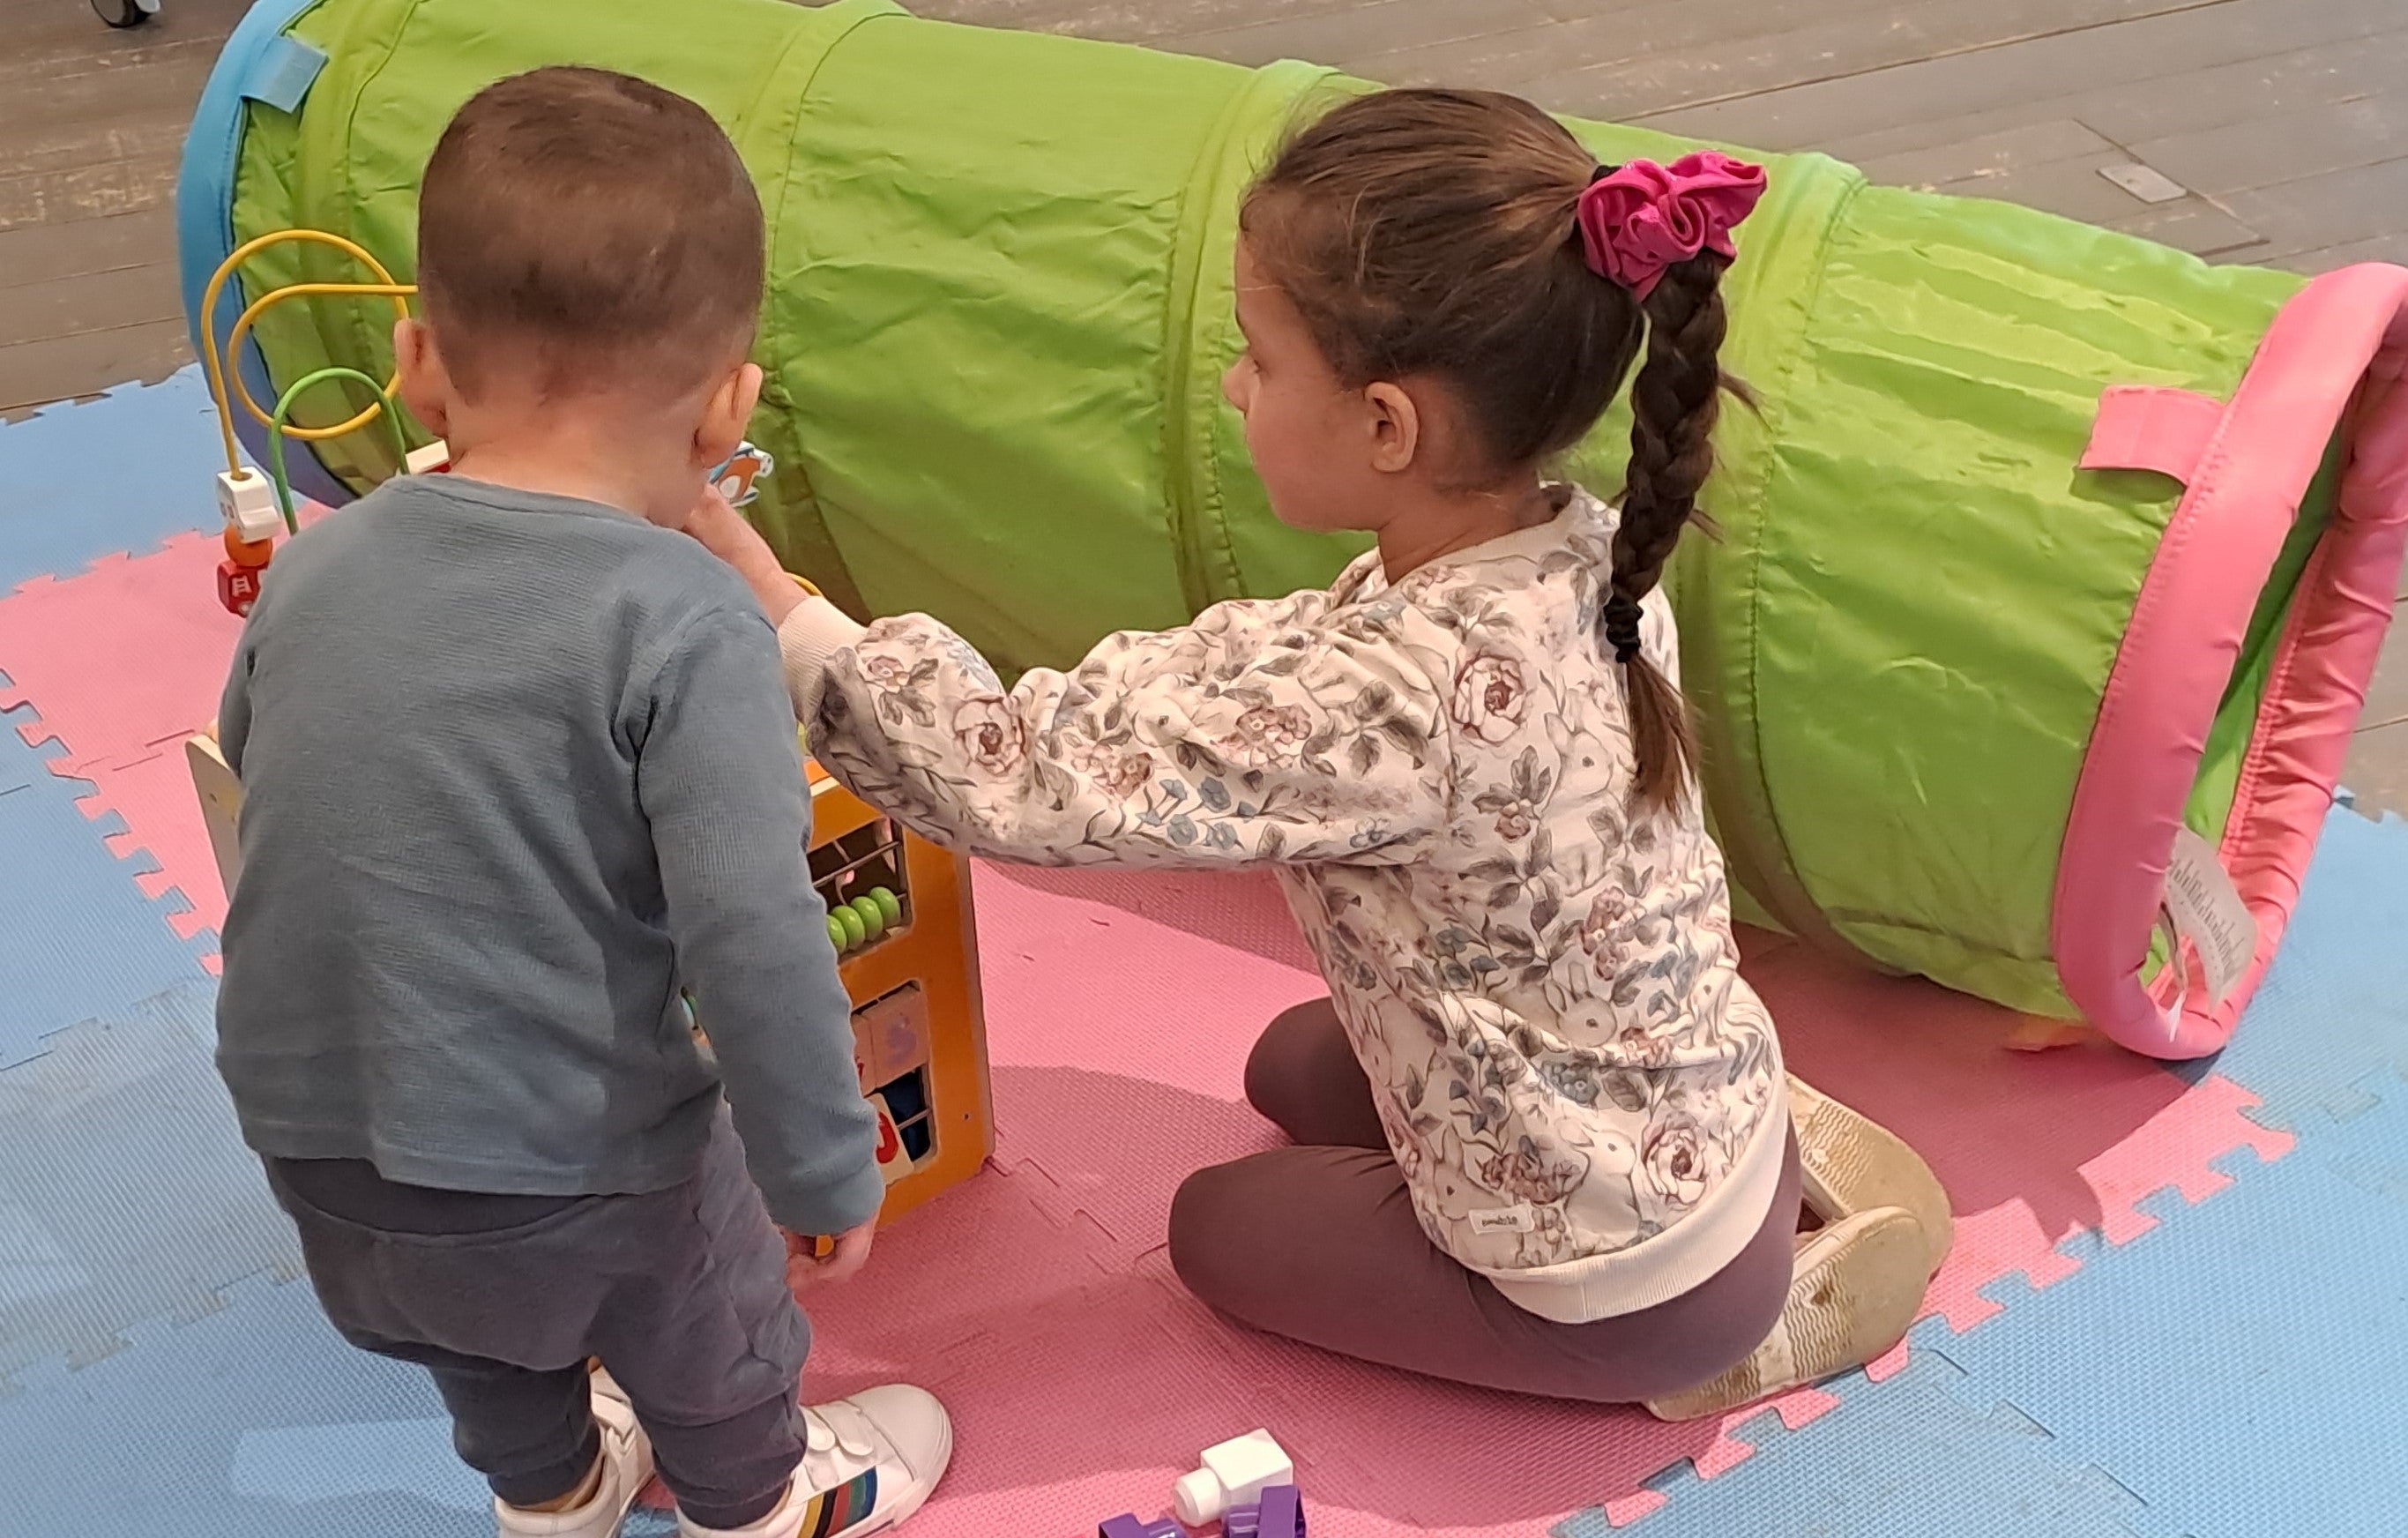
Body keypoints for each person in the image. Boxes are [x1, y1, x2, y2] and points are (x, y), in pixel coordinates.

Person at [696, 86, 1953, 1416]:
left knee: (1216, 1229)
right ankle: (1744, 1164)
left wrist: (773, 594)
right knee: (1290, 1062)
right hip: (1663, 1086)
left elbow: (1019, 776)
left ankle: (1724, 1331)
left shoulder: (1399, 701)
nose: (1233, 385)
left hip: (1613, 1272)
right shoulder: (1579, 538)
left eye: (1257, 356)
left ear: (1387, 425)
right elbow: (1275, 671)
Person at [213, 67, 949, 1538]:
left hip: (316, 1142)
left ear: (416, 362)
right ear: (727, 410)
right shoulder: (685, 621)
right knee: (705, 1308)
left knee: (480, 1340)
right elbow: (753, 934)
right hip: (577, 1164)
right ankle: (760, 1499)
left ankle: (552, 1493)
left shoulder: (310, 573)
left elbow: (263, 774)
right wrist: (821, 1166)